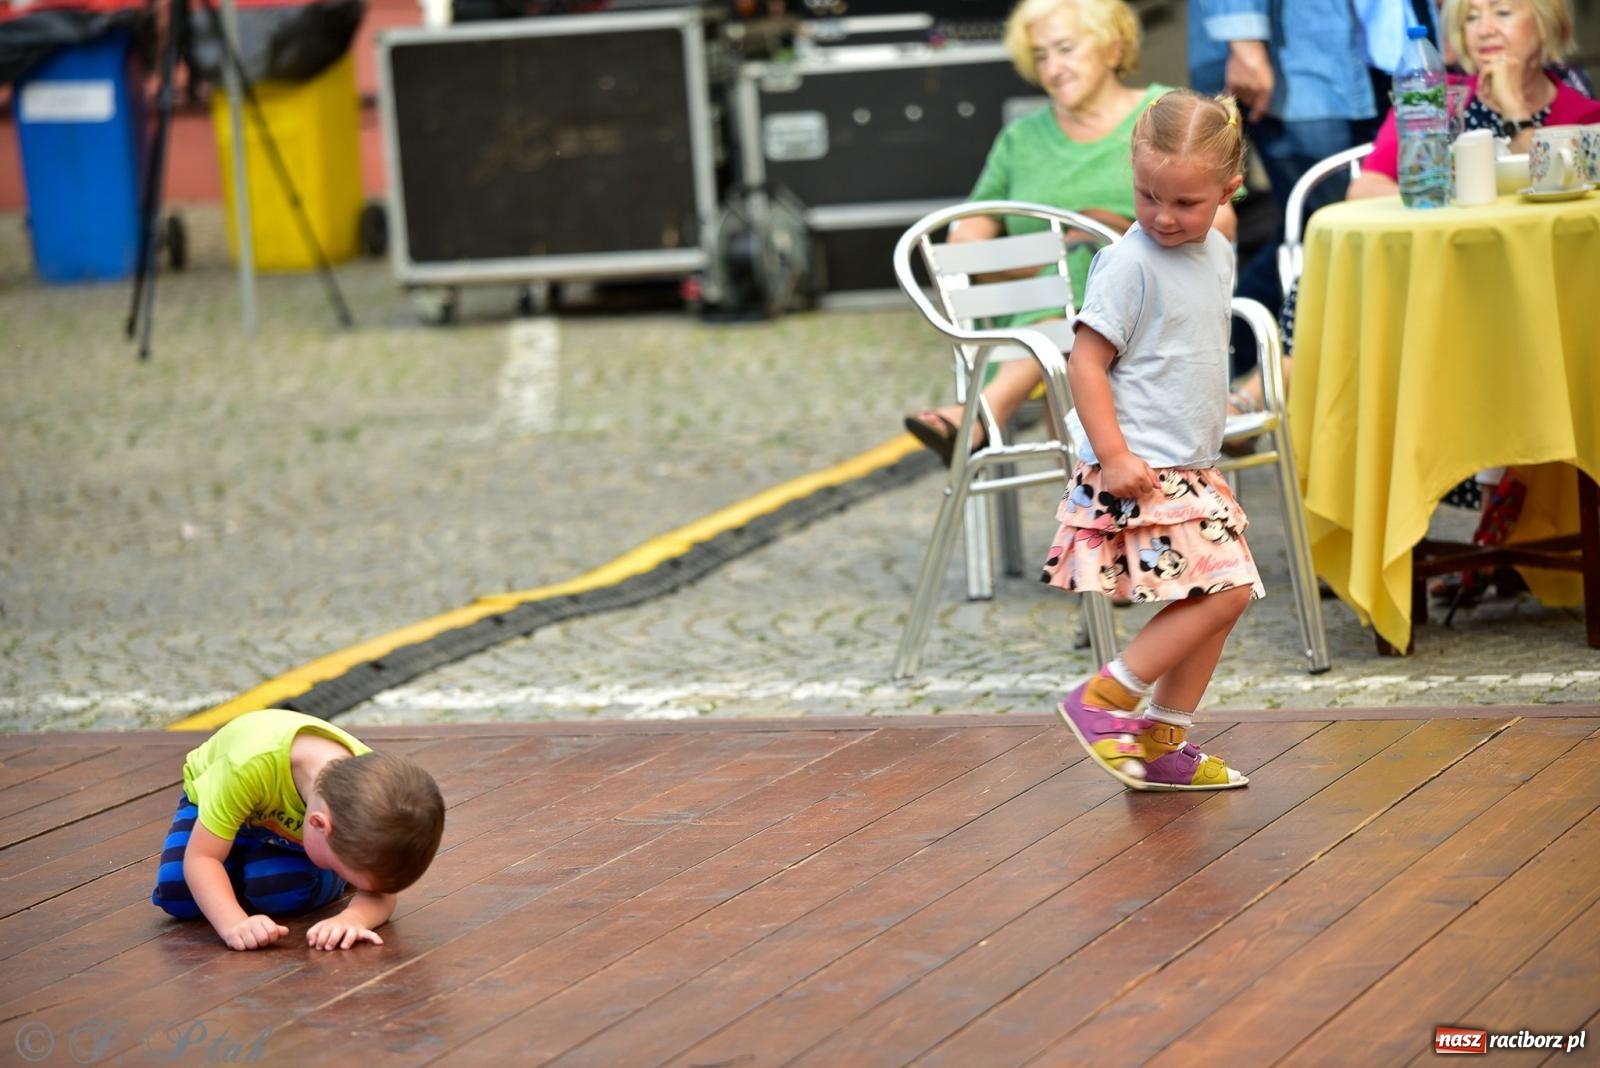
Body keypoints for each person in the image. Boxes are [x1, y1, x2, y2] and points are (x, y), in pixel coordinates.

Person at [902, 0, 1237, 464]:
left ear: (1112, 46)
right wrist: (1052, 258)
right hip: (1040, 314)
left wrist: (1115, 233)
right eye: (1040, 56)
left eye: (1065, 48)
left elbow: (1222, 221)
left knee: (1094, 278)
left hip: (1153, 320)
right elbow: (965, 240)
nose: (1053, 68)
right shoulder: (1020, 140)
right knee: (1075, 287)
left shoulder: (1165, 118)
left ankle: (983, 414)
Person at [1226, 0, 1600, 416]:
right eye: (1472, 17)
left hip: (1530, 289)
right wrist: (1452, 198)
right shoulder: (1436, 100)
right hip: (1441, 275)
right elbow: (1365, 188)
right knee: (1346, 262)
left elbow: (1551, 185)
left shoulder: (1580, 114)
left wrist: (1513, 111)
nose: (1485, 29)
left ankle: (1257, 396)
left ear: (1548, 25)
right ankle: (1264, 390)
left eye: (1503, 13)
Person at [1046, 88, 1259, 791]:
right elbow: (1085, 360)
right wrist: (1113, 455)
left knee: (1215, 604)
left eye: (1186, 203)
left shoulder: (1218, 251)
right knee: (1225, 593)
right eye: (1148, 196)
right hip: (1139, 468)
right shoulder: (1130, 263)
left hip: (1189, 466)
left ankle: (1163, 742)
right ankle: (1103, 701)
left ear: (1228, 192)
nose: (1164, 217)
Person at [151, 707, 446, 951]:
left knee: (284, 893)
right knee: (178, 892)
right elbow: (202, 858)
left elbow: (382, 893)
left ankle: (247, 870)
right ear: (319, 823)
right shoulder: (247, 767)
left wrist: (353, 919)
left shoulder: (370, 802)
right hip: (218, 804)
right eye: (345, 873)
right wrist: (234, 923)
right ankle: (247, 867)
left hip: (280, 828)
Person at [1187, 0, 1389, 332]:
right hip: (1296, 70)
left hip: (1359, 59)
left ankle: (1241, 354)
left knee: (1319, 233)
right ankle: (1238, 352)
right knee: (1324, 232)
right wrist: (1244, 43)